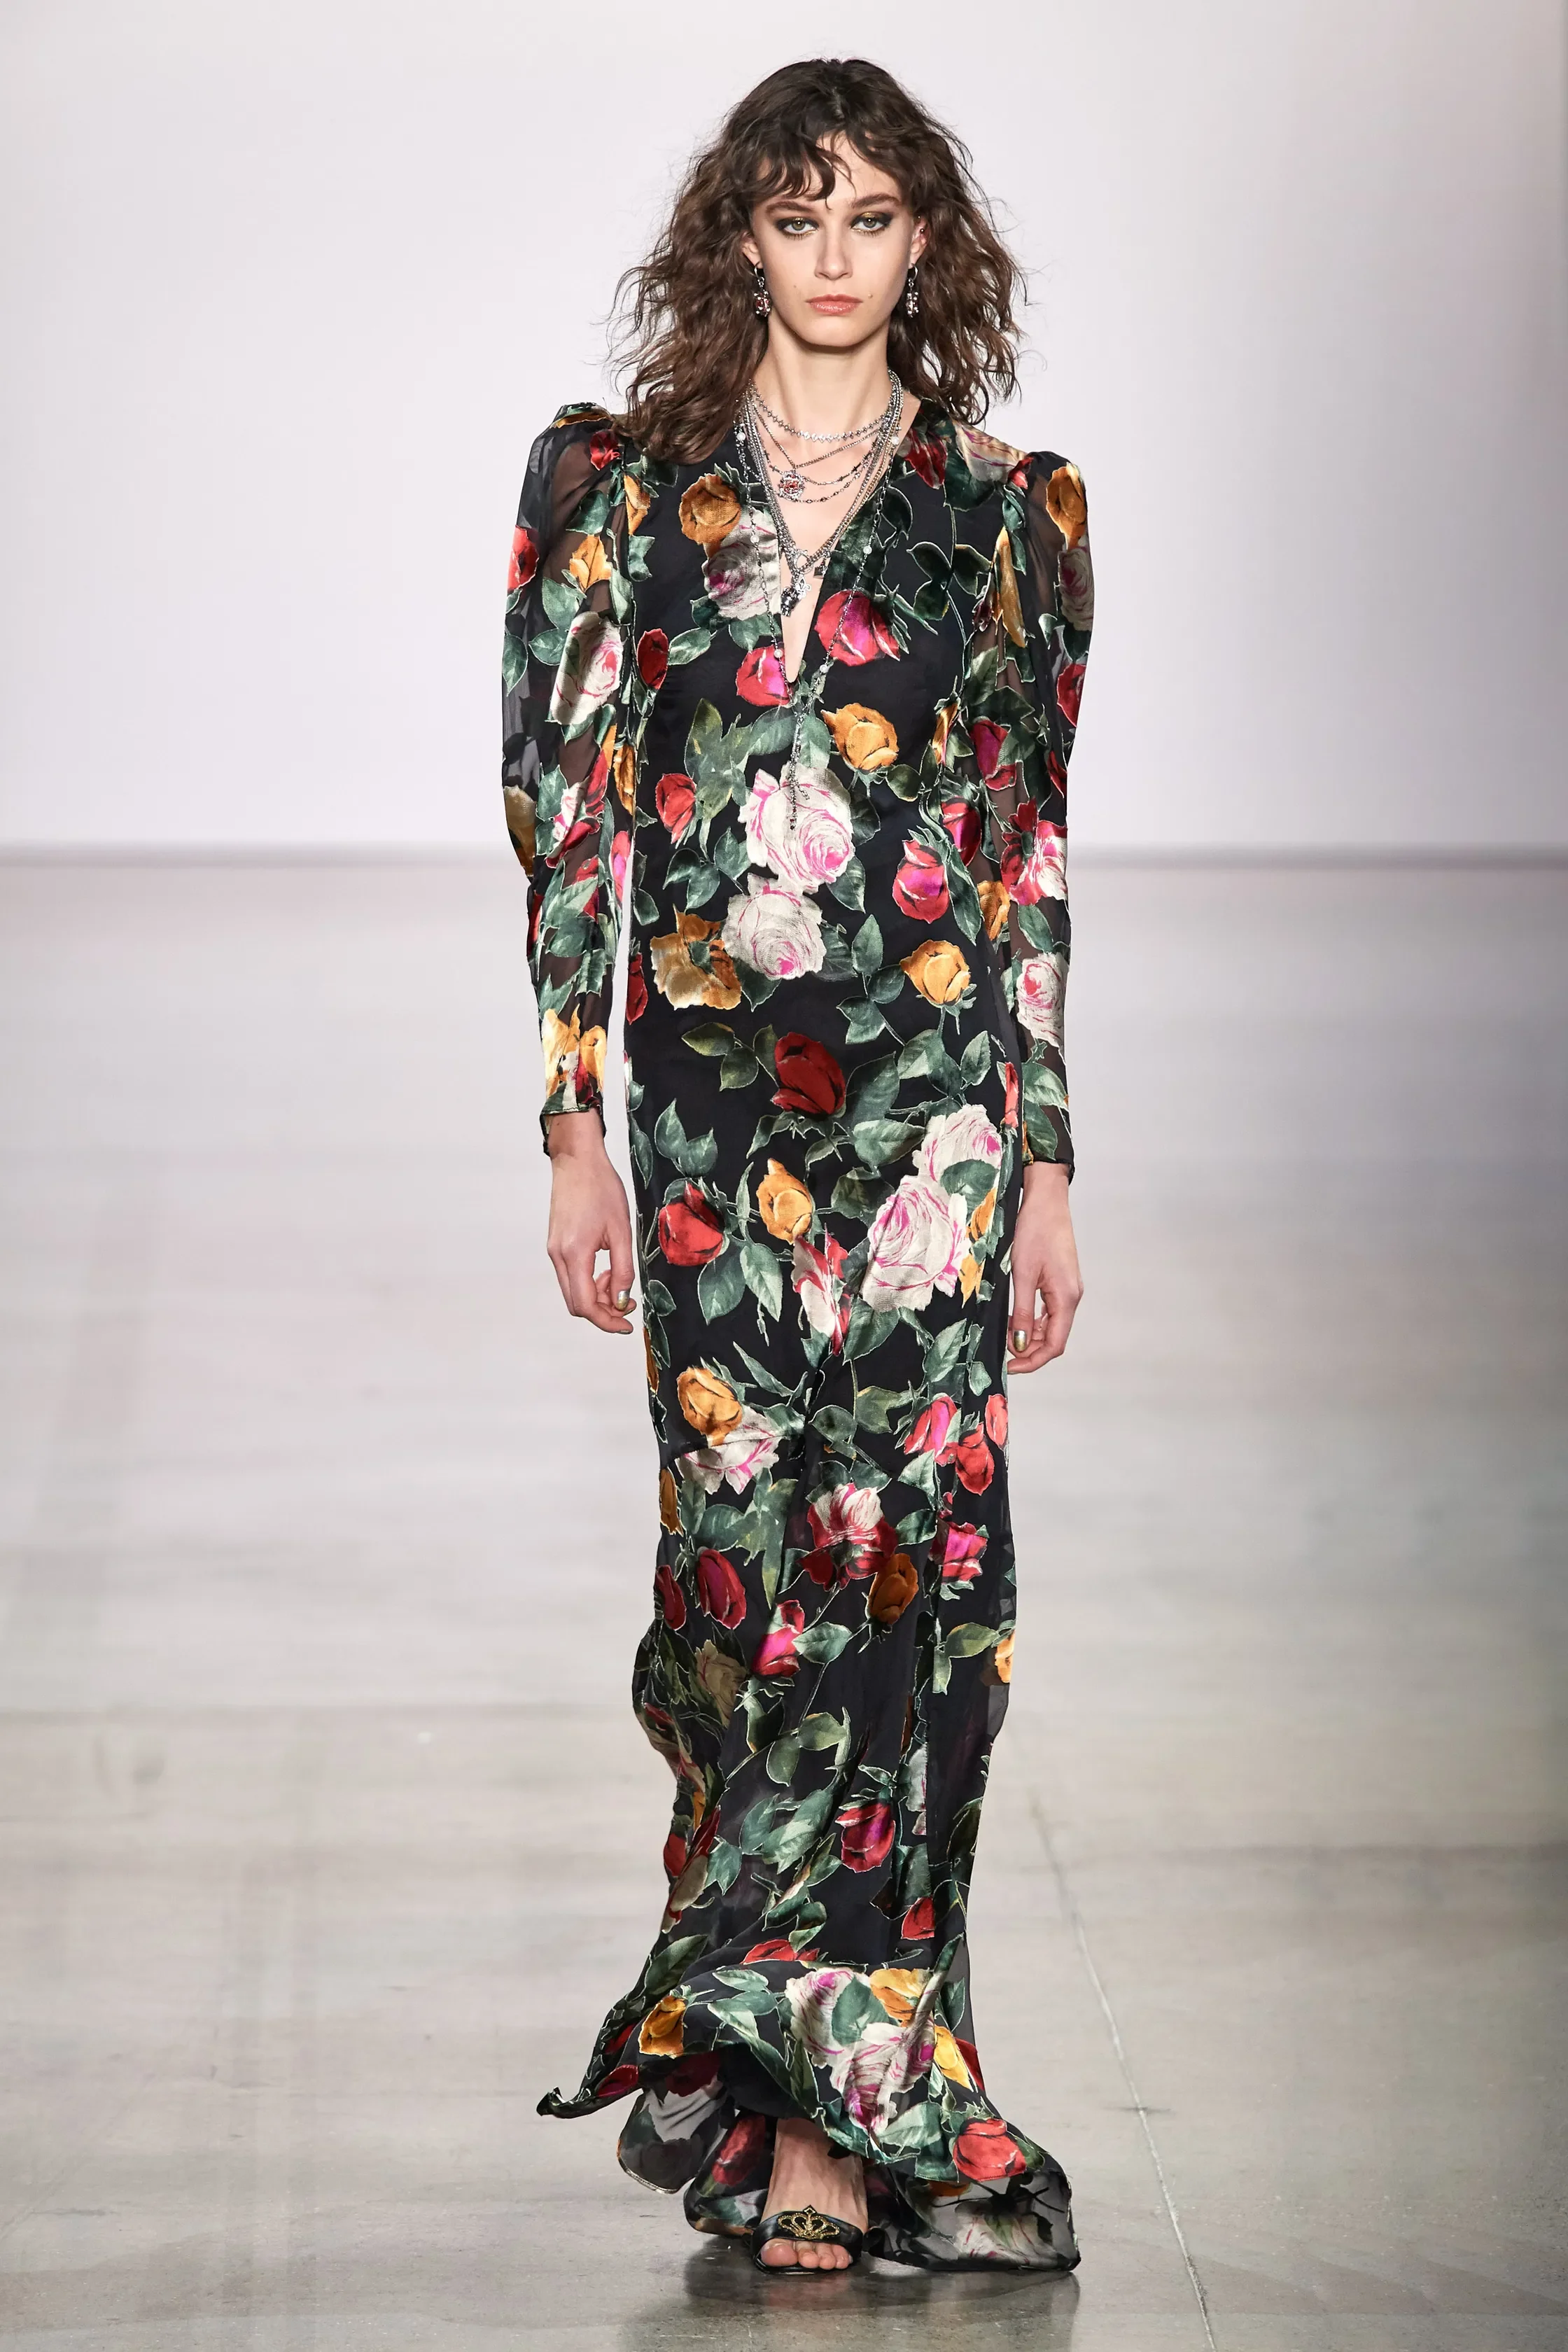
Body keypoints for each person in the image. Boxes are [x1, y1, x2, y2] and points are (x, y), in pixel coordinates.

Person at [502, 55, 1093, 2276]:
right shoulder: (617, 497)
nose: (833, 256)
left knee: (911, 1594)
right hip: (715, 1128)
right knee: (750, 1589)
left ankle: (838, 2129)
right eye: (796, 215)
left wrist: (1046, 1164)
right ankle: (775, 2083)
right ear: (735, 239)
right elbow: (574, 822)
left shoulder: (1005, 514)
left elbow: (1021, 858)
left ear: (923, 245)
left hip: (939, 1109)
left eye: (871, 218)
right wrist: (572, 1122)